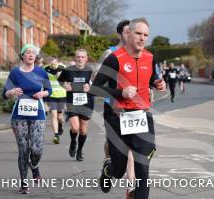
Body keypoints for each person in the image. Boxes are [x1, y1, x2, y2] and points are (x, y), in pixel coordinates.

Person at [91, 18, 166, 199]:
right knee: (119, 169)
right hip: (117, 116)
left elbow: (151, 76)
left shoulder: (150, 57)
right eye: (138, 34)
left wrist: (157, 82)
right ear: (128, 34)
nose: (142, 38)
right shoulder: (114, 59)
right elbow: (95, 88)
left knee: (142, 165)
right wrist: (120, 92)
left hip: (141, 115)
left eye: (146, 35)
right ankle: (109, 168)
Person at [93, 19, 136, 198]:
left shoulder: (139, 53)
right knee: (112, 145)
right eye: (127, 32)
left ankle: (131, 185)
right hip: (114, 107)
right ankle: (109, 163)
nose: (131, 35)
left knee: (132, 146)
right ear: (120, 34)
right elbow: (96, 77)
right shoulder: (109, 53)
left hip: (134, 108)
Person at [2, 44, 52, 194]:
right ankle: (24, 183)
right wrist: (11, 92)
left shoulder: (41, 72)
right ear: (22, 55)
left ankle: (34, 166)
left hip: (38, 113)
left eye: (33, 53)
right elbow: (4, 93)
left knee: (37, 148)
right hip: (19, 115)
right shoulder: (15, 73)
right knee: (23, 149)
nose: (31, 55)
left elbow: (49, 90)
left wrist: (43, 94)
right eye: (28, 52)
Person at [58, 49, 94, 161]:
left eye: (82, 57)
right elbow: (60, 81)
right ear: (75, 58)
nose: (80, 59)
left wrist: (90, 88)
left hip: (86, 103)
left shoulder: (90, 71)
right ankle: (73, 142)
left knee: (83, 130)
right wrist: (64, 86)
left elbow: (97, 86)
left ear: (86, 59)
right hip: (72, 102)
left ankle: (79, 151)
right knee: (75, 128)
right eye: (78, 57)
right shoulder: (68, 70)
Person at [43, 57, 67, 144]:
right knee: (54, 115)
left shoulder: (63, 68)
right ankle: (56, 135)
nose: (53, 66)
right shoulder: (45, 68)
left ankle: (60, 126)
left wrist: (60, 77)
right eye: (51, 64)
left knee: (60, 117)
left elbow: (69, 80)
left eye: (54, 64)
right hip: (52, 95)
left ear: (58, 62)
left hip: (62, 95)